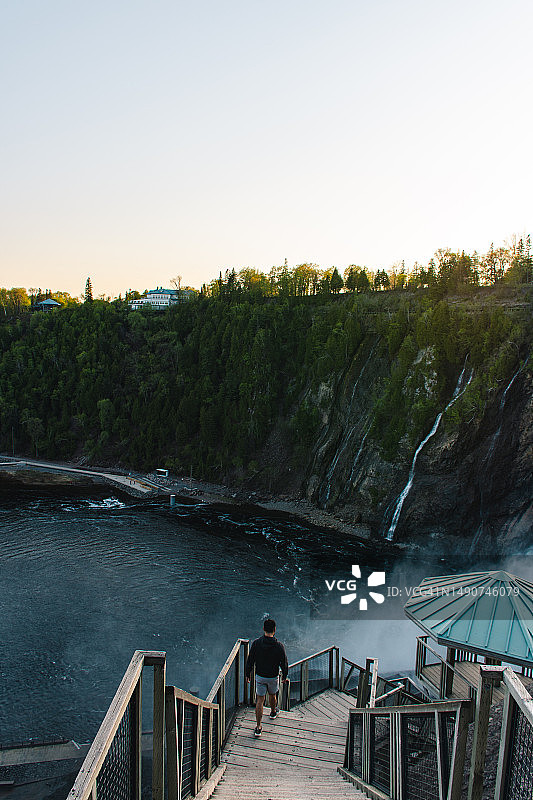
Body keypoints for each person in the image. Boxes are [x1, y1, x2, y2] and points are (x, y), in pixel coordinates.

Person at [245, 618, 289, 737]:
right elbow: (284, 663)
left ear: (263, 629)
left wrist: (247, 674)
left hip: (260, 676)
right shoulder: (279, 646)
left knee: (260, 700)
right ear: (275, 630)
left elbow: (250, 660)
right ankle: (273, 712)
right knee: (272, 695)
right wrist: (284, 676)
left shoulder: (256, 643)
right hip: (273, 676)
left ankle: (258, 727)